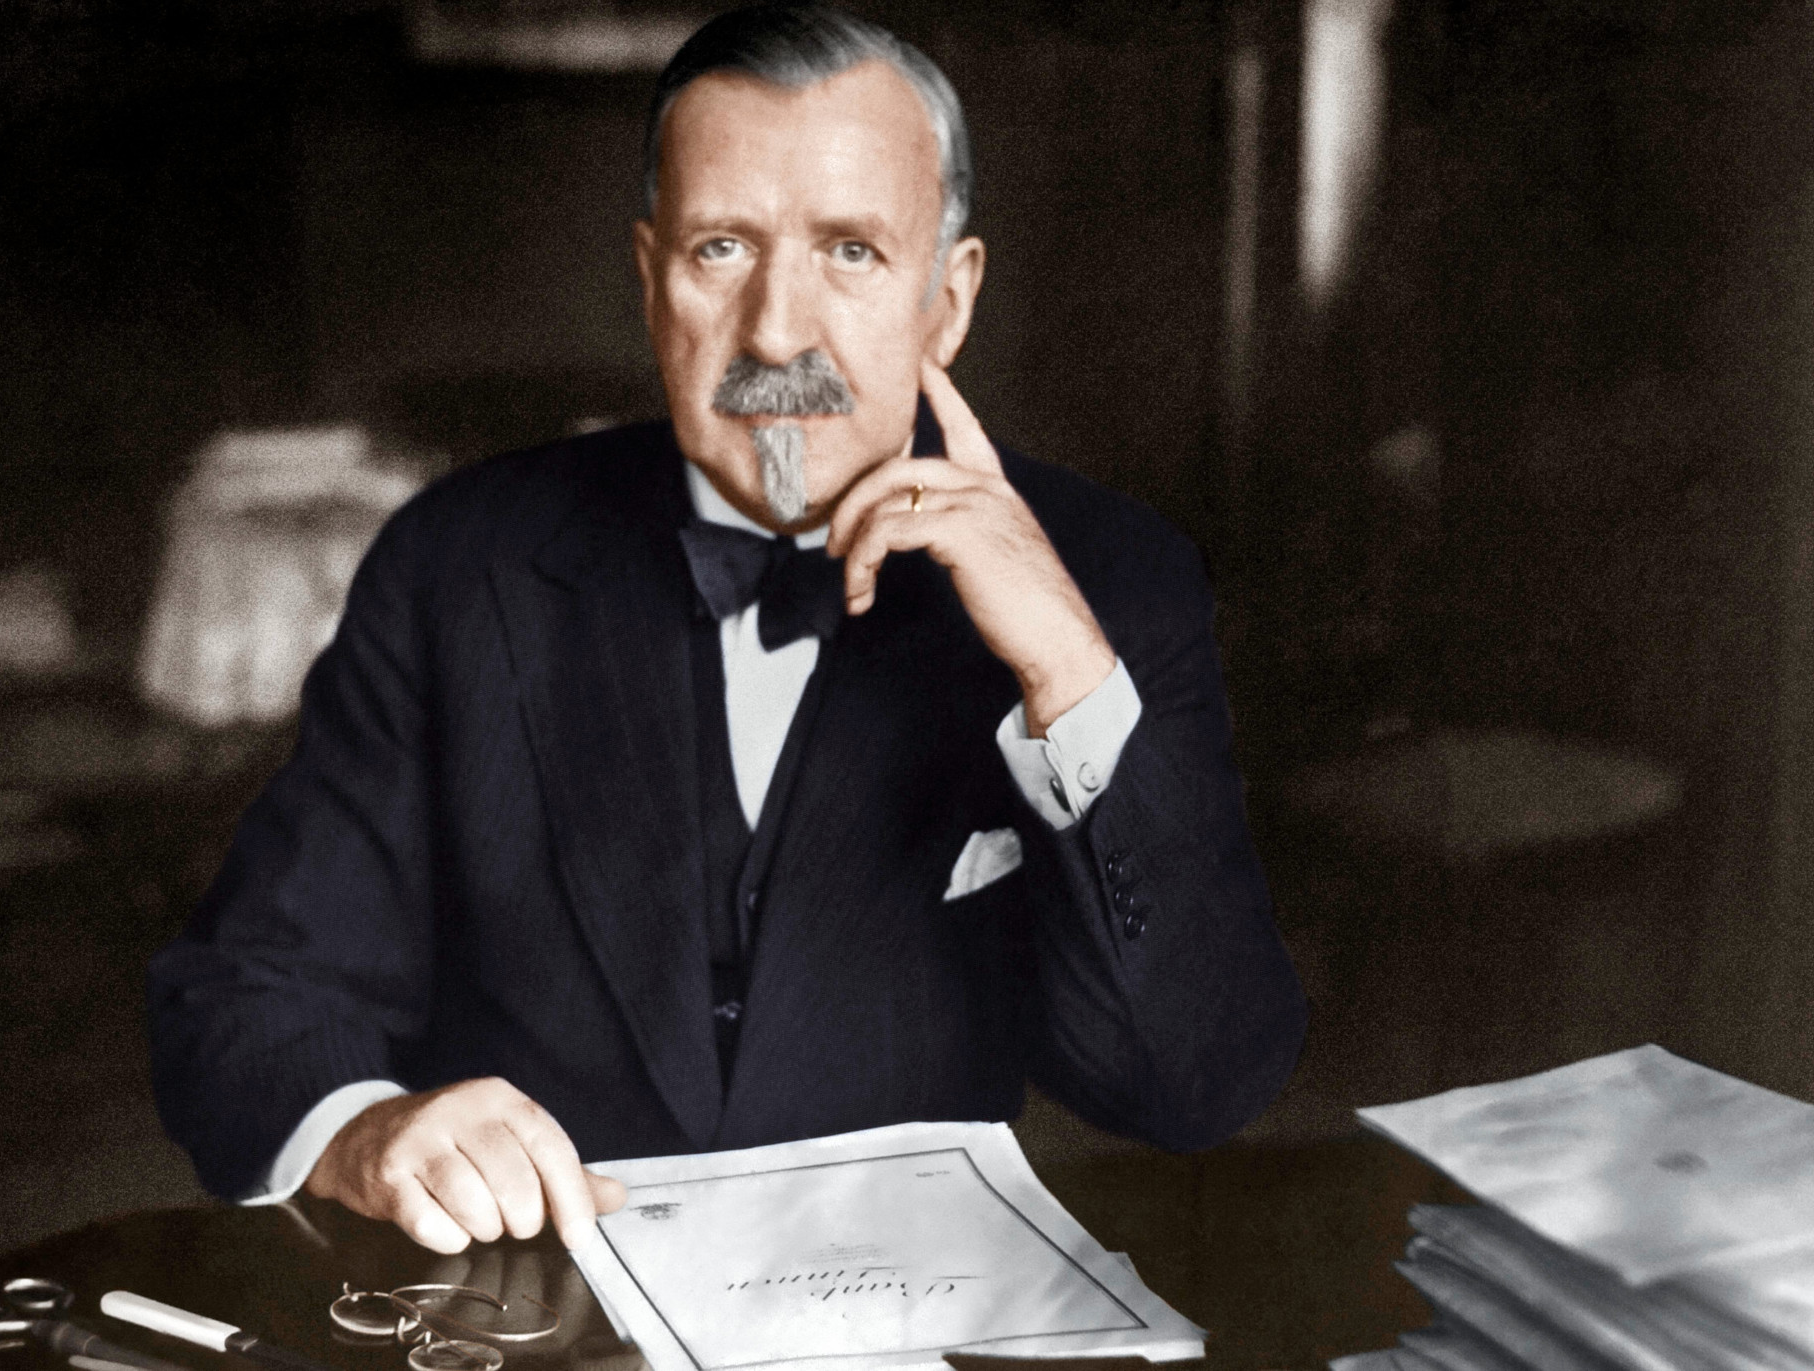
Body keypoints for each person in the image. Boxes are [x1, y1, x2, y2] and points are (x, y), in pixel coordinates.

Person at [148, 2, 1306, 1258]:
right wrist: (363, 1129)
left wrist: (1067, 681)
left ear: (947, 298)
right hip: (517, 1310)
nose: (774, 332)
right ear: (650, 278)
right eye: (720, 249)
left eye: (850, 251)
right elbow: (250, 991)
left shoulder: (1108, 578)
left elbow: (1194, 1085)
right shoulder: (457, 562)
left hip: (907, 1320)